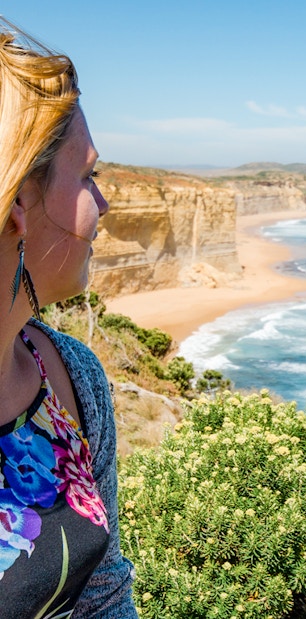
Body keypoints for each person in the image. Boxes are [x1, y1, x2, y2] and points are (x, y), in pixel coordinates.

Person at [0, 17, 137, 618]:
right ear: (21, 203)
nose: (103, 204)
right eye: (88, 178)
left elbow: (103, 587)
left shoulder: (73, 377)